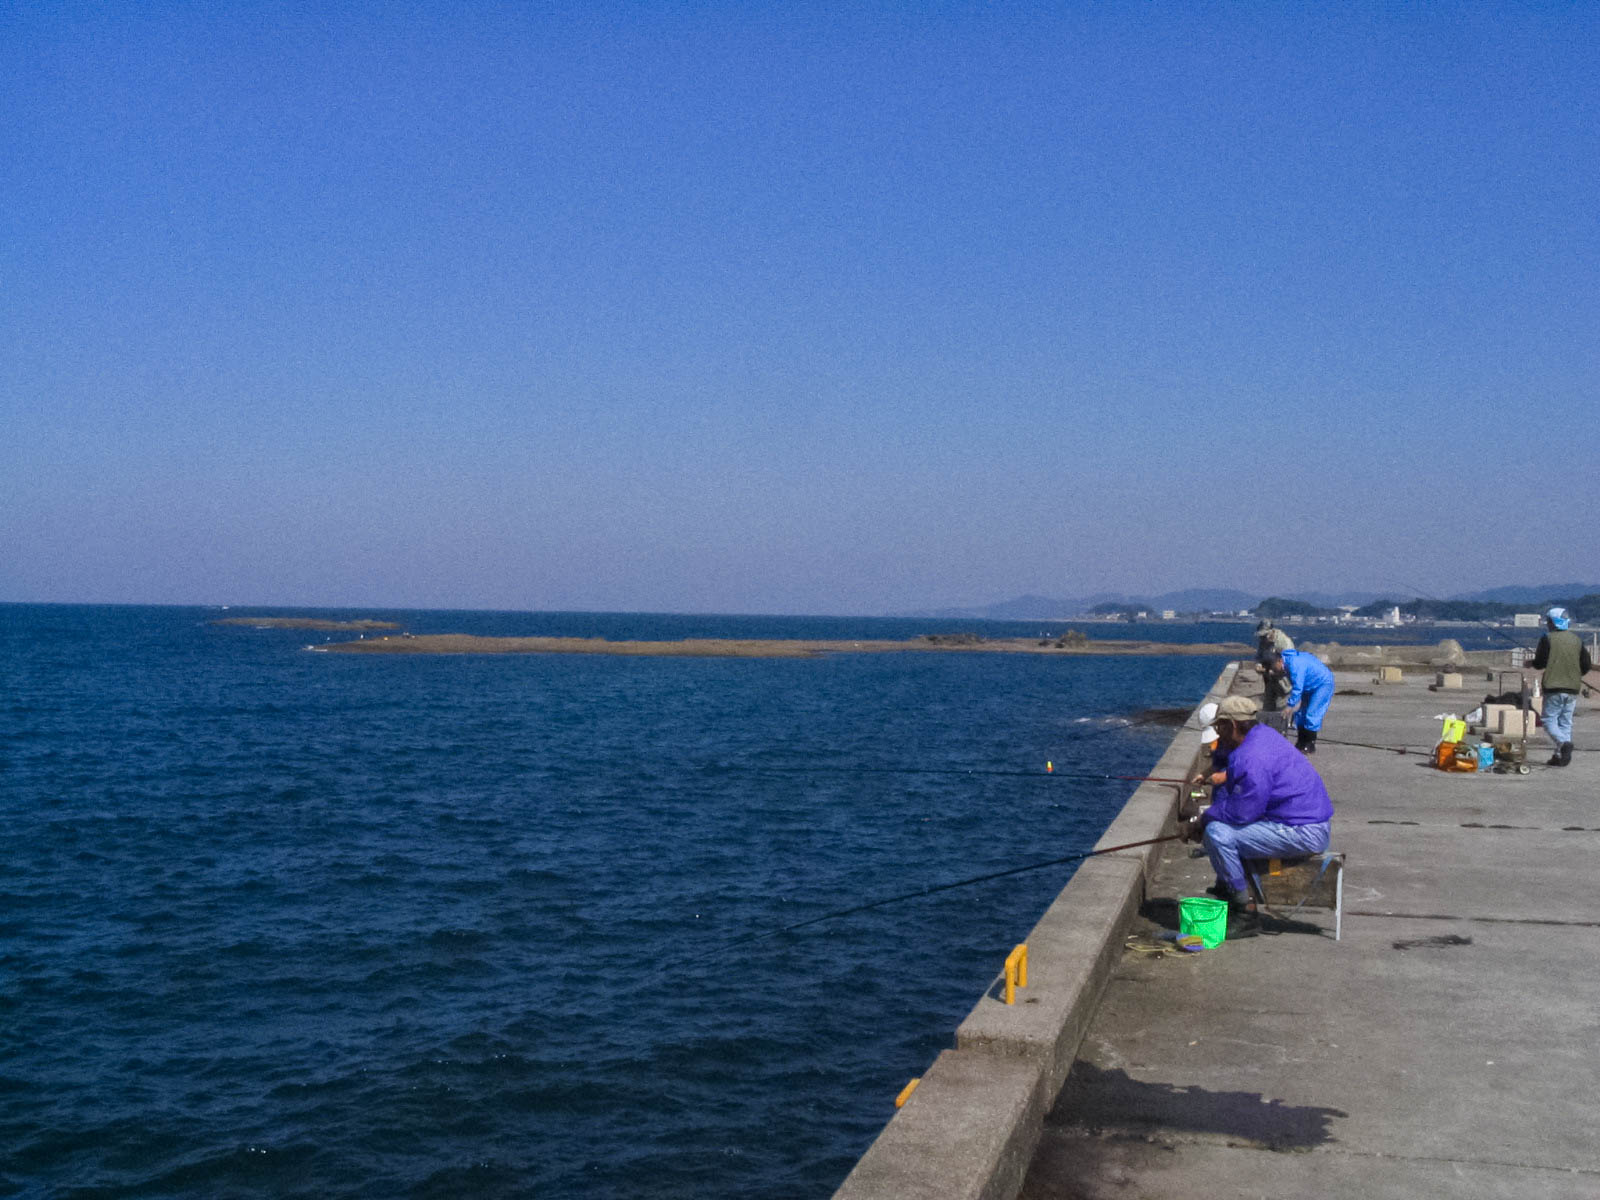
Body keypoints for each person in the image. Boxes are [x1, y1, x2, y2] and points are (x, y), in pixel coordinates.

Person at [1181, 694, 1334, 937]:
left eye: (1219, 727)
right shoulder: (1263, 735)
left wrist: (1201, 822)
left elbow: (1241, 813)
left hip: (1303, 831)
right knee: (1219, 828)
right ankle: (1228, 890)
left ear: (1231, 725)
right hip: (1305, 821)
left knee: (1218, 835)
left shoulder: (1251, 757)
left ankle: (1245, 912)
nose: (1218, 734)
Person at [1530, 606, 1592, 767]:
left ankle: (1563, 744)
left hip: (1554, 686)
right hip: (1573, 687)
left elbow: (1540, 663)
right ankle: (1560, 756)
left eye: (1548, 621)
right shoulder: (1577, 640)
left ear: (1552, 623)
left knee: (1549, 720)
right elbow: (1586, 665)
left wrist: (1531, 663)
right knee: (1565, 722)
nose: (1547, 624)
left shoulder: (1547, 638)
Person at [1276, 646, 1335, 753]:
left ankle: (1310, 743)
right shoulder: (1285, 663)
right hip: (1308, 685)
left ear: (1280, 661)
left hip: (1322, 684)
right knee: (1300, 713)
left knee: (1312, 713)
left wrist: (1290, 706)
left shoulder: (1295, 664)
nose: (1274, 670)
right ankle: (1301, 741)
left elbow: (1297, 687)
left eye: (1274, 666)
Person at [1254, 620, 1294, 710]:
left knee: (1281, 713)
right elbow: (1259, 656)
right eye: (1261, 636)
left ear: (1272, 631)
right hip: (1269, 682)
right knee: (1267, 712)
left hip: (1284, 684)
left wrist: (1275, 670)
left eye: (1265, 635)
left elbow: (1290, 663)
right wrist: (1258, 665)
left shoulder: (1284, 642)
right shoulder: (1263, 642)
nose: (1263, 638)